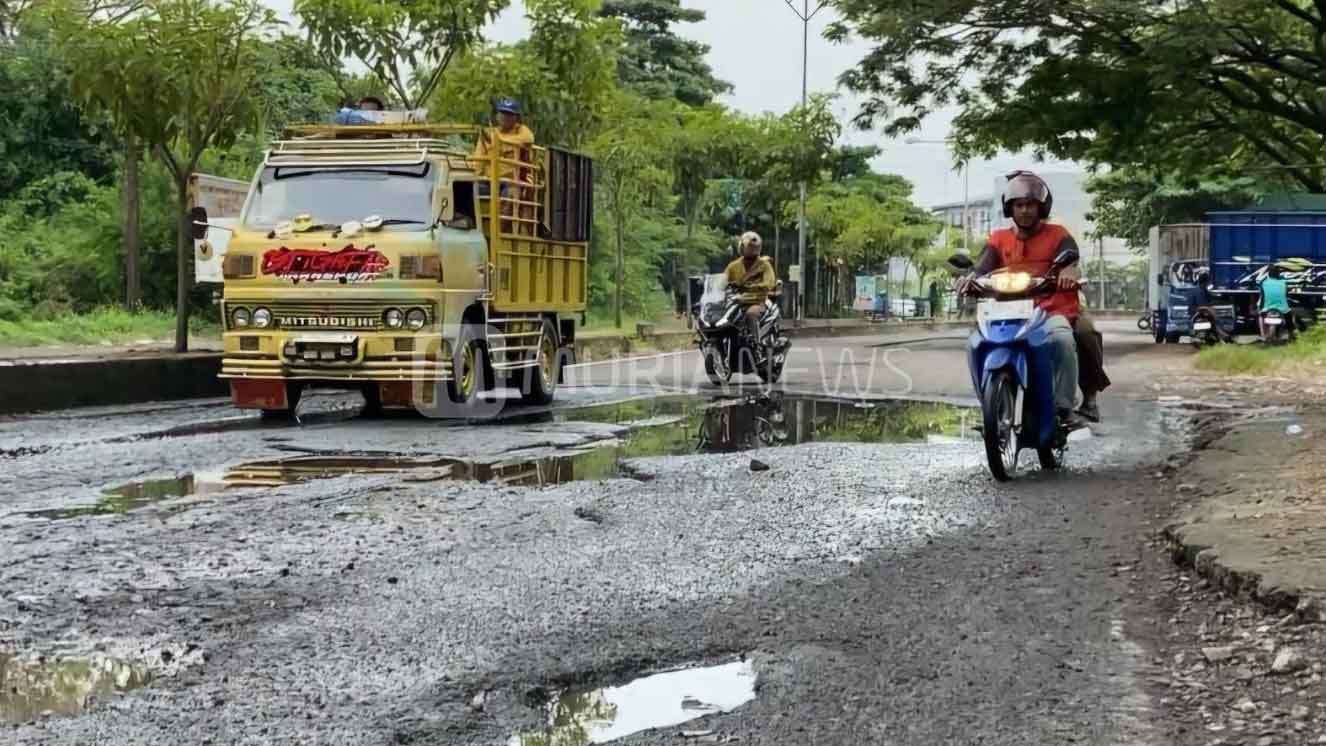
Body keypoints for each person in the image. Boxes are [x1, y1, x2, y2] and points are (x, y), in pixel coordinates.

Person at [961, 170, 1089, 430]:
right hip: (1004, 311)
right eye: (1019, 205)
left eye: (1030, 205)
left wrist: (1067, 271)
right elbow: (983, 266)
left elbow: (1070, 255)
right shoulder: (998, 239)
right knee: (973, 345)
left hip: (1049, 309)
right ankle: (989, 407)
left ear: (1041, 207)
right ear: (1010, 209)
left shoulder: (1057, 234)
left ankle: (1064, 408)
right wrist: (969, 279)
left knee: (1063, 340)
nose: (1025, 211)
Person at [724, 231, 777, 355]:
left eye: (751, 247)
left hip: (756, 302)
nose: (748, 249)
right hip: (735, 302)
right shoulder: (733, 266)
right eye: (747, 246)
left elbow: (769, 283)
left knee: (751, 314)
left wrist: (753, 286)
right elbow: (722, 280)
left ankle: (756, 345)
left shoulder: (764, 265)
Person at [471, 98, 535, 191]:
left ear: (516, 117)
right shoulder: (490, 133)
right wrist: (476, 176)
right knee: (470, 190)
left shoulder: (521, 130)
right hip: (489, 180)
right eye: (502, 113)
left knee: (510, 194)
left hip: (511, 182)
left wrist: (500, 140)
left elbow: (529, 139)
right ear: (497, 115)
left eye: (509, 114)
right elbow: (478, 160)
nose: (505, 117)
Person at [1259, 263, 1291, 337]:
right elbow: (1286, 294)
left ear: (1268, 274)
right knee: (1289, 316)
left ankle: (1262, 334)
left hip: (1267, 307)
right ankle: (1291, 333)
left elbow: (1262, 296)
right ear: (1278, 274)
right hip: (1282, 308)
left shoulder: (1264, 283)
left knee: (1260, 316)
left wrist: (1260, 308)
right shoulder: (1283, 282)